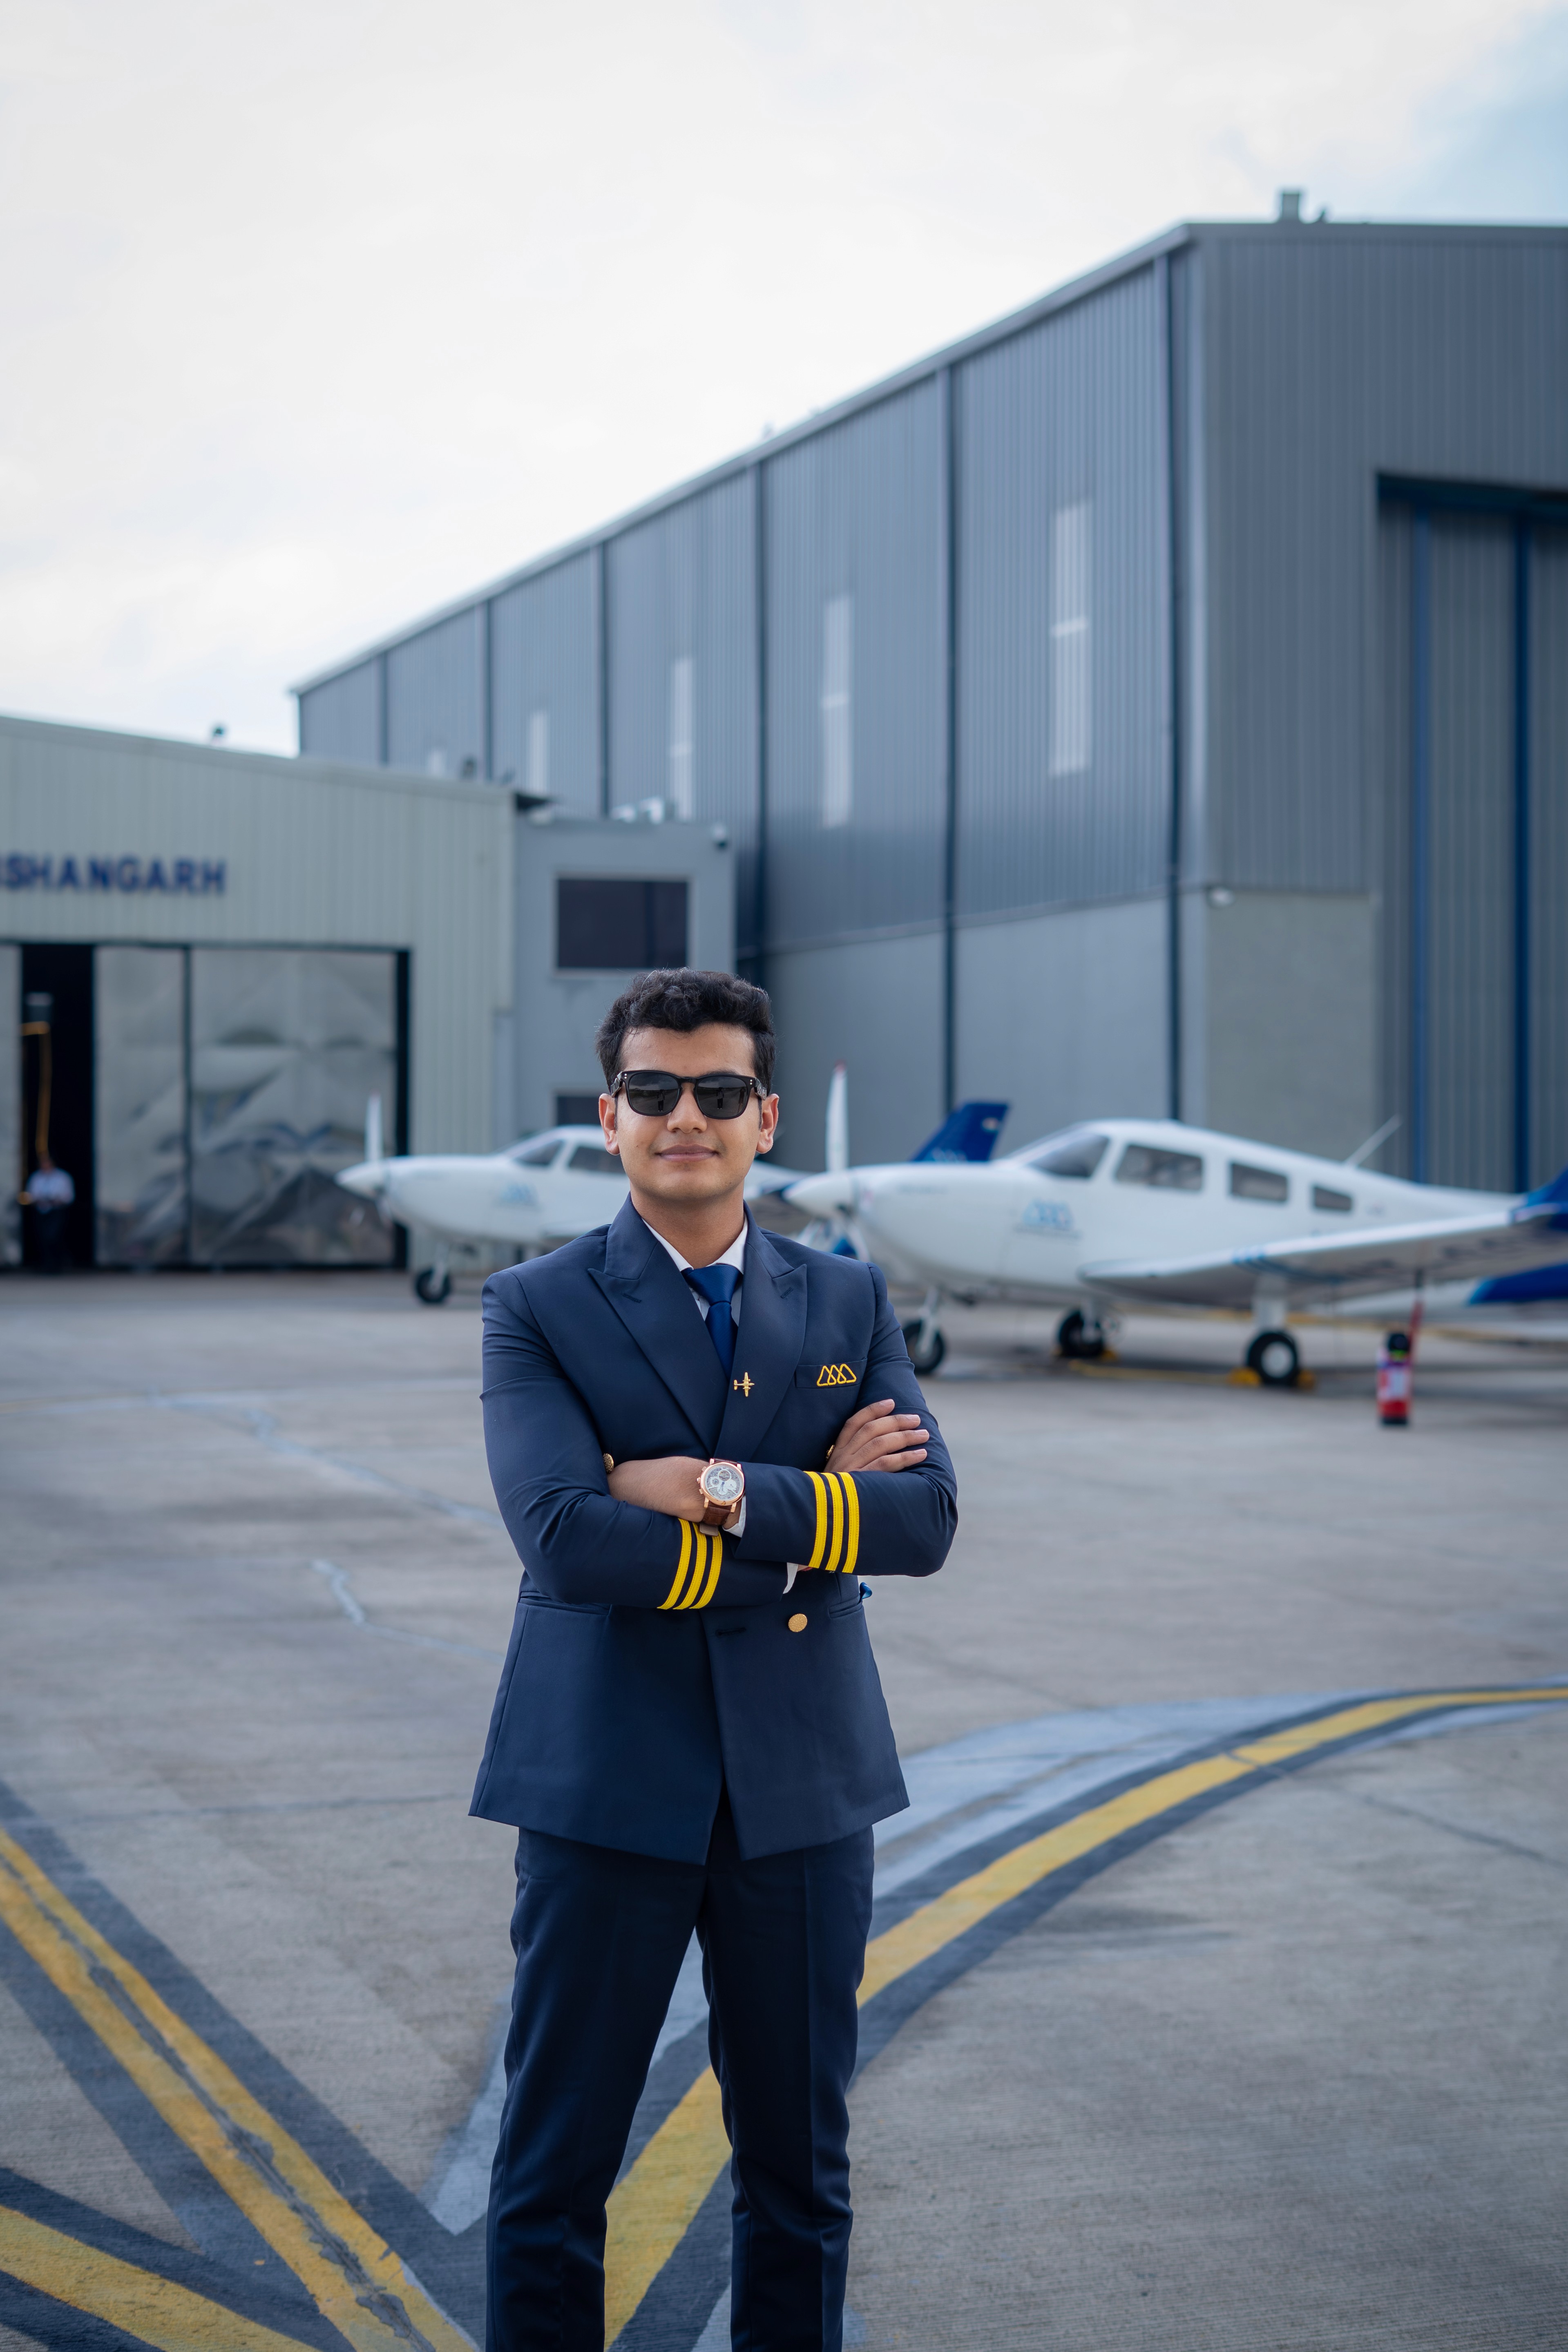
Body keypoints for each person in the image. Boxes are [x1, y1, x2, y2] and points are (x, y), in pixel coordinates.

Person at [473, 967, 957, 2352]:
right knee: (554, 2171)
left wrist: (714, 1488)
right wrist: (815, 1519)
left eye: (719, 1090)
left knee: (799, 2176)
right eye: (652, 1089)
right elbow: (568, 1541)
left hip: (799, 1792)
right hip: (605, 1785)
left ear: (765, 1116)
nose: (685, 1115)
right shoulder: (537, 1302)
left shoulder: (846, 1297)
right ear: (609, 1116)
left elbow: (922, 1522)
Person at [27, 1153, 76, 1273]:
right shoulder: (36, 1178)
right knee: (43, 1238)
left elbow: (69, 1197)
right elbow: (30, 1195)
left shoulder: (63, 1177)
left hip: (57, 1211)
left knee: (54, 1237)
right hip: (41, 1211)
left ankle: (57, 1265)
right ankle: (46, 1264)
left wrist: (57, 1200)